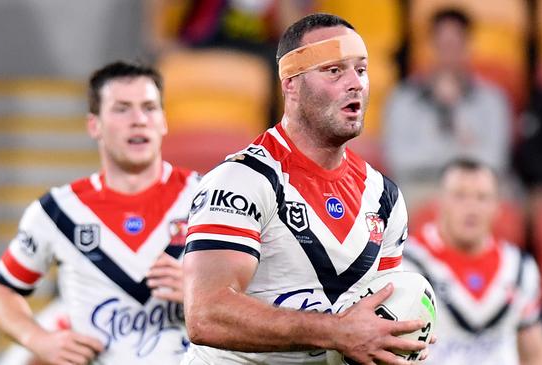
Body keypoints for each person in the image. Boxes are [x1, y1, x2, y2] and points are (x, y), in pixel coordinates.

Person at [182, 13, 430, 365]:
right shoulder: (241, 181)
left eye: (360, 70)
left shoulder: (384, 198)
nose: (354, 84)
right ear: (291, 84)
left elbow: (378, 318)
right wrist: (338, 332)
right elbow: (206, 313)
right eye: (334, 71)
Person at [0, 60, 200, 365]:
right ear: (94, 125)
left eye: (149, 108)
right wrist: (40, 340)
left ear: (163, 121)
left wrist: (204, 291)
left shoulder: (208, 199)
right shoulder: (58, 211)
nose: (138, 120)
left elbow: (270, 292)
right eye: (122, 109)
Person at [402, 158, 542, 365]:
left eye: (482, 197)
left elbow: (537, 353)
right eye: (460, 196)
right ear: (439, 203)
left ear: (498, 207)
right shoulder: (407, 265)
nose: (471, 207)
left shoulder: (518, 268)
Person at [383, 8, 512, 209]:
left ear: (469, 46)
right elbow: (400, 160)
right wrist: (462, 150)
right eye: (443, 46)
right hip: (421, 188)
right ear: (430, 47)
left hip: (476, 188)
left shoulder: (492, 98)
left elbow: (495, 160)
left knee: (504, 202)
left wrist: (454, 112)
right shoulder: (403, 98)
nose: (449, 55)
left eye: (455, 45)